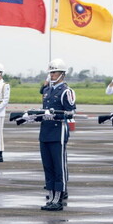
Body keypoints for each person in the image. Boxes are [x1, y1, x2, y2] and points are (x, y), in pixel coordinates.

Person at [38, 59, 76, 211]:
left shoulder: (66, 91)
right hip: (45, 131)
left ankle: (59, 197)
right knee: (48, 166)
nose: (52, 75)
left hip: (57, 131)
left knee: (58, 166)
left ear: (62, 74)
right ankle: (51, 194)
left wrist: (56, 115)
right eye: (51, 72)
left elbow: (71, 112)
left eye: (54, 72)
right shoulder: (47, 91)